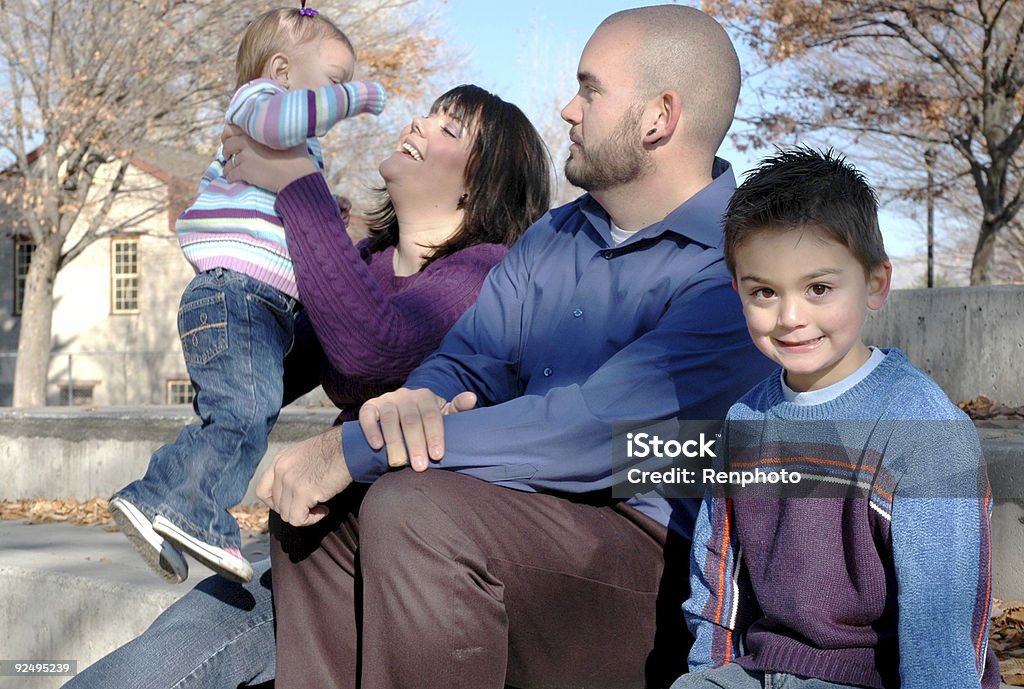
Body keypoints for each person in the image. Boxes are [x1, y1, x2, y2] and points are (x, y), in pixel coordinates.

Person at [258, 6, 775, 689]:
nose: (568, 109)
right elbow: (470, 357)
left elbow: (598, 434)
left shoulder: (741, 267)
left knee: (410, 507)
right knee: (321, 508)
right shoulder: (554, 237)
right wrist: (417, 401)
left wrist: (358, 443)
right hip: (516, 514)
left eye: (589, 90)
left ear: (659, 117)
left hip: (651, 571)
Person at [62, 82, 551, 688]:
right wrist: (235, 267)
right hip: (310, 551)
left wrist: (297, 184)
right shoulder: (368, 262)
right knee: (141, 665)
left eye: (449, 130)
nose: (418, 125)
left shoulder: (486, 271)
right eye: (426, 114)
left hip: (413, 572)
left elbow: (375, 349)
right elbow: (266, 371)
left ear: (482, 183)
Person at [675, 148, 999, 689]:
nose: (791, 317)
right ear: (739, 292)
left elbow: (941, 630)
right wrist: (708, 675)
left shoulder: (922, 429)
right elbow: (718, 579)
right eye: (764, 292)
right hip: (756, 671)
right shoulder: (745, 419)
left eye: (818, 288)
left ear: (875, 284)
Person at [108, 4, 387, 583]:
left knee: (240, 413)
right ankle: (178, 504)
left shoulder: (294, 142)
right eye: (333, 79)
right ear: (281, 70)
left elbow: (286, 215)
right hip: (235, 295)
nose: (337, 95)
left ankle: (168, 506)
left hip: (256, 303)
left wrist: (324, 209)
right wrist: (357, 97)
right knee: (243, 410)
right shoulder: (257, 103)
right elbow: (281, 126)